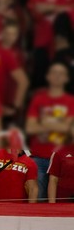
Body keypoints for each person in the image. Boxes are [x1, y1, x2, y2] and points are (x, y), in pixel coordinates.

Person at [27, 63, 74, 197]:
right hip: (39, 158)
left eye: (61, 73)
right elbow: (30, 127)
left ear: (66, 78)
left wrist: (45, 122)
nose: (57, 76)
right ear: (48, 76)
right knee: (38, 200)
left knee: (60, 200)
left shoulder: (71, 101)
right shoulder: (38, 99)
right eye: (54, 72)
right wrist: (59, 123)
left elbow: (68, 128)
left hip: (64, 160)